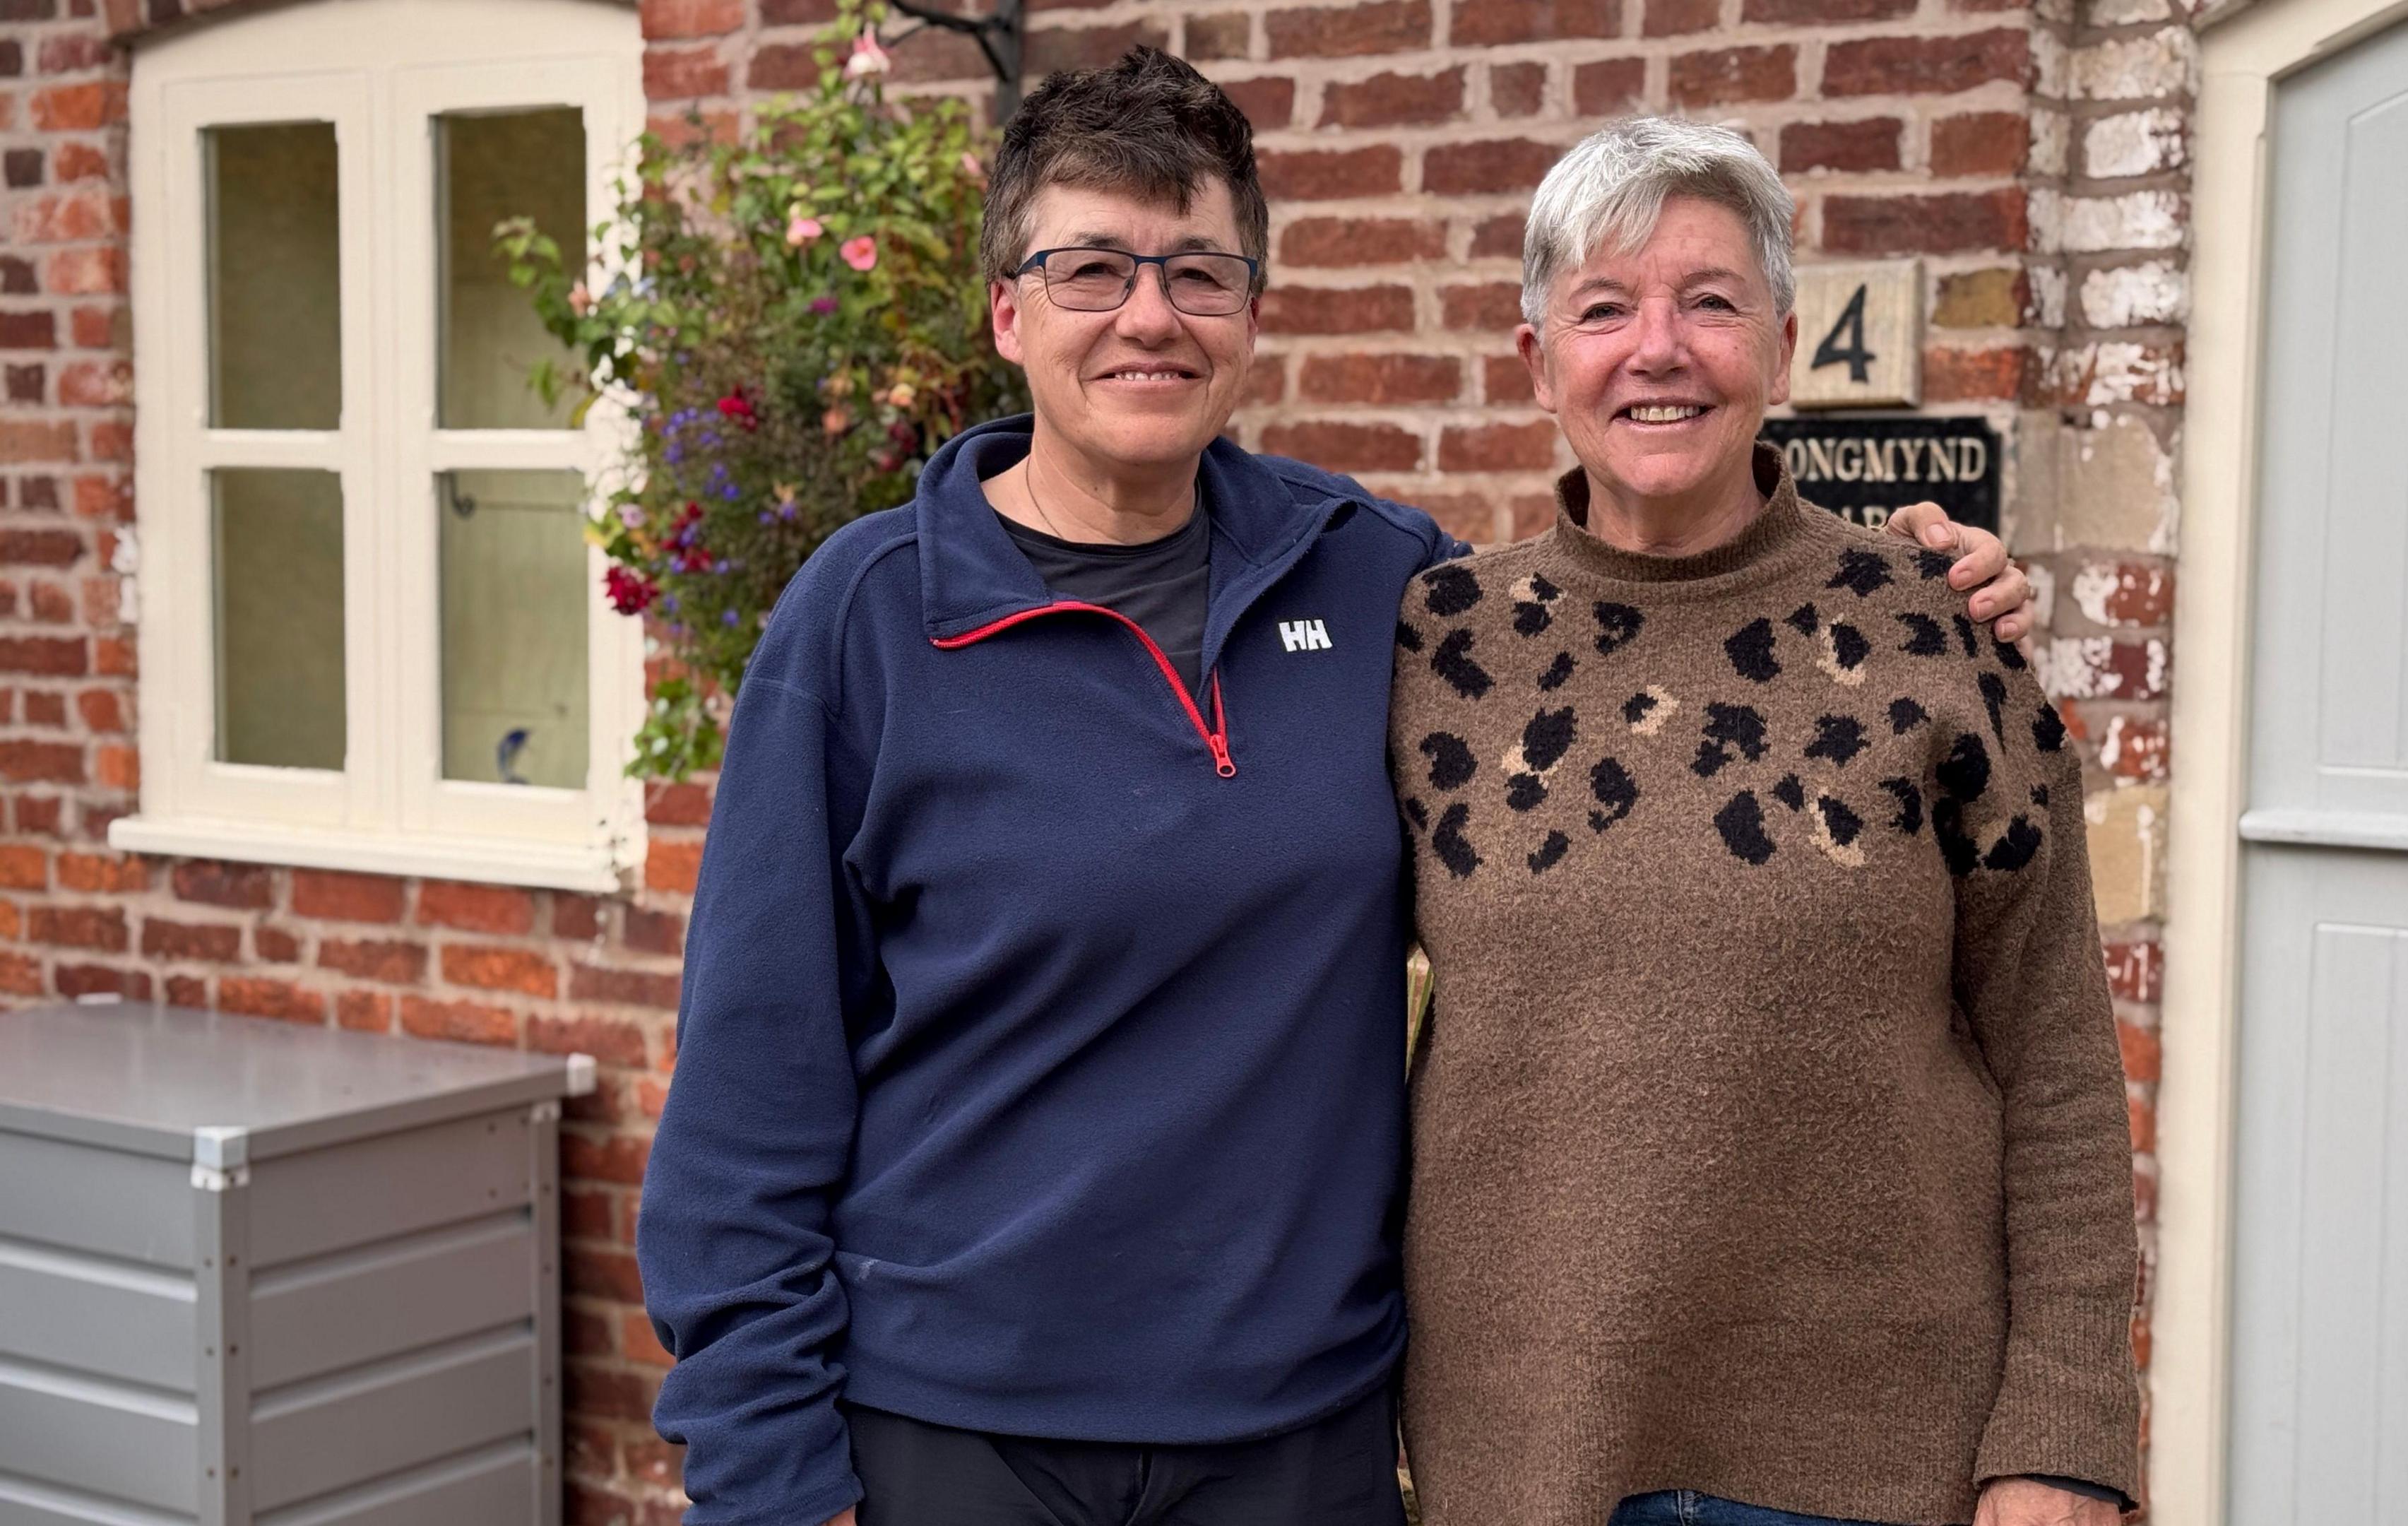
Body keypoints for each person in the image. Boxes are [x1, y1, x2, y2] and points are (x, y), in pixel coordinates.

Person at [639, 58, 2033, 1526]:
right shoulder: (866, 621)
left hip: (1298, 1438)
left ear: (1253, 314)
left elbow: (1644, 648)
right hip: (954, 1431)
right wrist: (767, 1480)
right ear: (1009, 312)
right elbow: (750, 1099)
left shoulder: (1381, 581)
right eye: (1091, 269)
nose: (1149, 315)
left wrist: (1916, 601)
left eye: (1198, 272)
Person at [1391, 117, 2141, 1526]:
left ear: (1783, 348)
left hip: (1880, 1460)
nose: (1659, 348)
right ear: (1537, 363)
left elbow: (2058, 1063)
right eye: (1605, 308)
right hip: (1524, 1455)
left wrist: (2070, 1431)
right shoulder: (1439, 648)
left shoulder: (1936, 628)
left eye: (1712, 301)